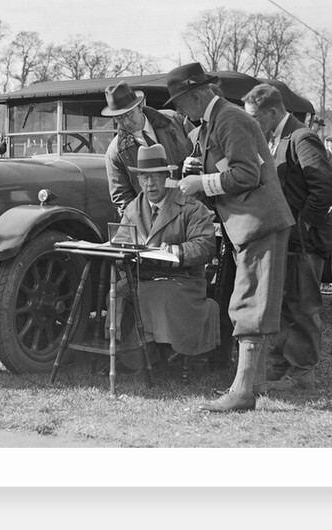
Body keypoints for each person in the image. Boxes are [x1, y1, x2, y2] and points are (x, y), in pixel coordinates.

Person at [168, 62, 294, 412]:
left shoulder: (229, 119)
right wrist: (203, 172)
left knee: (249, 301)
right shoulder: (218, 120)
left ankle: (242, 392)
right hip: (251, 223)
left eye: (180, 103)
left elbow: (248, 174)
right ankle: (255, 383)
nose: (179, 111)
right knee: (252, 297)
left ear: (195, 95)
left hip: (258, 223)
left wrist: (200, 182)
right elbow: (233, 169)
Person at [242, 85, 332, 391]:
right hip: (288, 237)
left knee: (302, 305)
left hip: (304, 240)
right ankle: (280, 366)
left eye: (256, 117)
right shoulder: (275, 137)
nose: (253, 123)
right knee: (285, 302)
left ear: (273, 112)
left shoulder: (302, 137)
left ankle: (301, 374)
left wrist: (305, 227)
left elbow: (325, 189)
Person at [111, 144, 221, 363]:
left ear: (167, 176)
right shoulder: (133, 209)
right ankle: (129, 355)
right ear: (138, 180)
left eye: (156, 177)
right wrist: (123, 254)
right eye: (144, 178)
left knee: (156, 293)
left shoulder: (191, 207)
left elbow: (205, 246)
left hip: (183, 281)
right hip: (141, 278)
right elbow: (121, 242)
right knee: (118, 293)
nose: (150, 184)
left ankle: (159, 352)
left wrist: (174, 252)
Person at [103, 81, 192, 218]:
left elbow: (203, 148)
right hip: (156, 219)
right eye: (119, 118)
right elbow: (123, 198)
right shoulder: (115, 153)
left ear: (140, 107)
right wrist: (146, 222)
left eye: (128, 114)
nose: (126, 122)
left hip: (193, 207)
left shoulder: (174, 121)